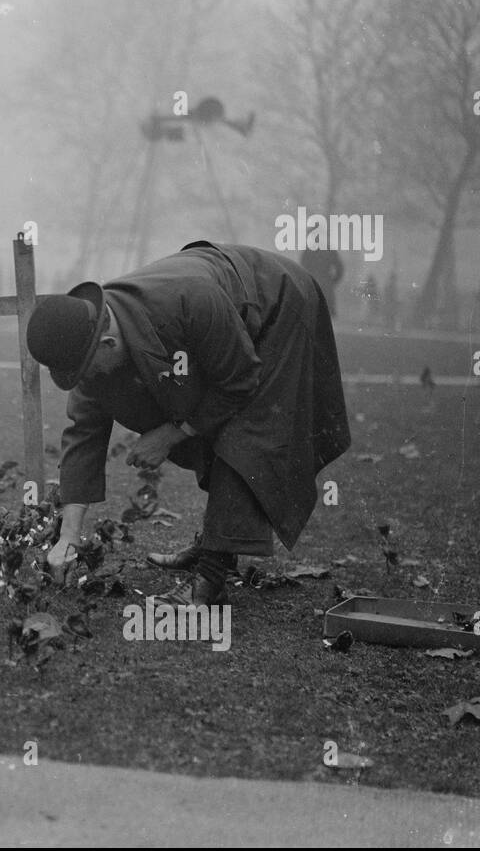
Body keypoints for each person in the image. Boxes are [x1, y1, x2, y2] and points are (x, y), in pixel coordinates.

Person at [26, 240, 351, 605]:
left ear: (107, 342)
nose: (90, 379)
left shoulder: (186, 301)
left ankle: (210, 579)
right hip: (224, 314)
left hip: (280, 303)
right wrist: (69, 535)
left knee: (247, 431)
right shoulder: (93, 345)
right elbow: (84, 434)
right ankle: (216, 546)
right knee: (204, 409)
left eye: (88, 370)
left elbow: (241, 382)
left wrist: (170, 434)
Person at [300, 247, 344, 318]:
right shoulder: (329, 250)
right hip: (326, 284)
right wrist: (333, 281)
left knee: (312, 313)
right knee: (328, 315)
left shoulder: (309, 250)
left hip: (313, 283)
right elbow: (339, 269)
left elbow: (302, 267)